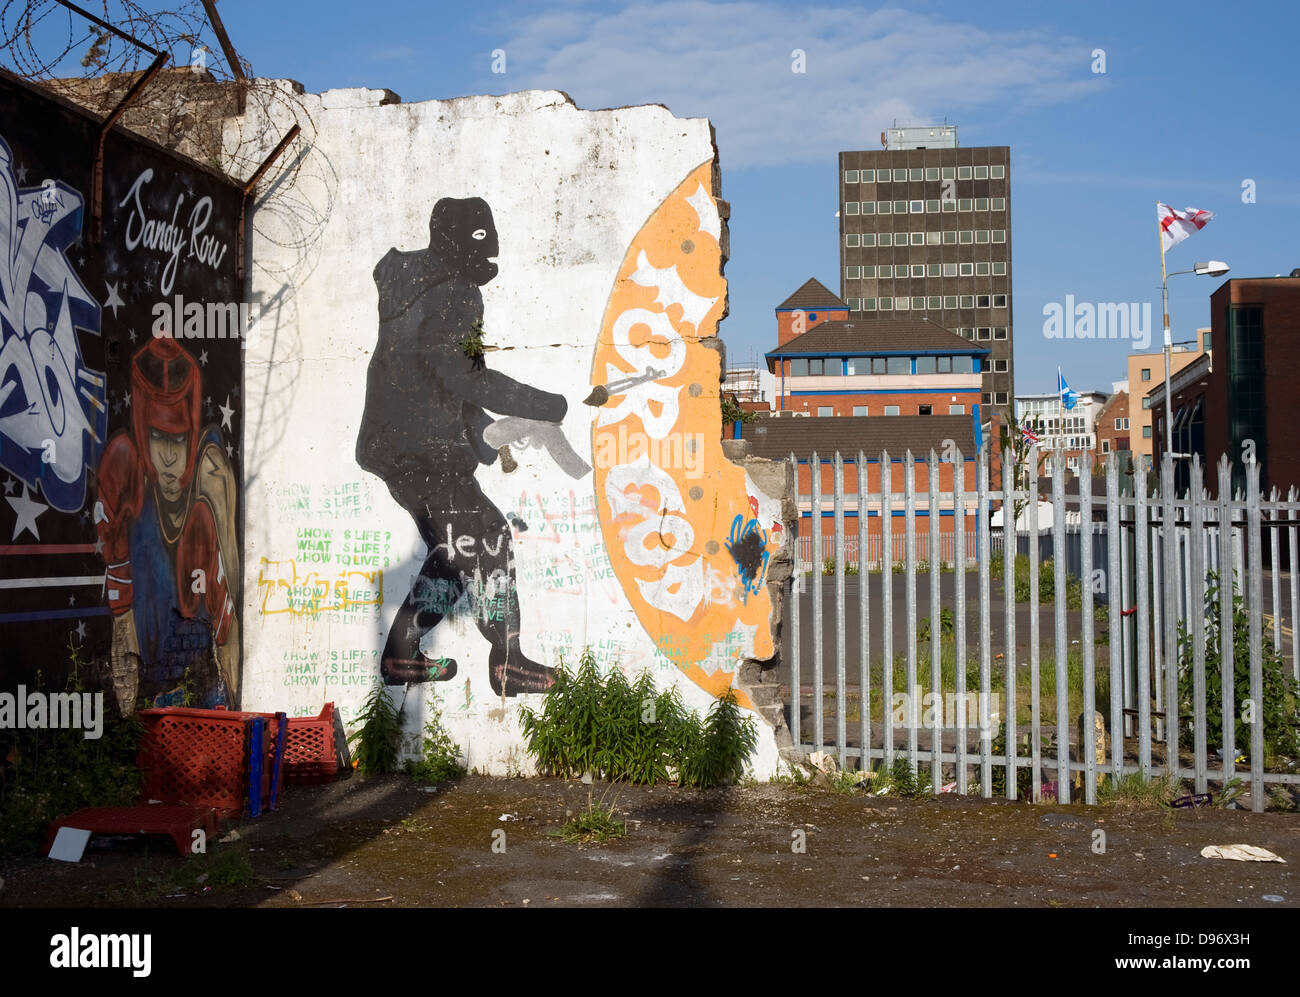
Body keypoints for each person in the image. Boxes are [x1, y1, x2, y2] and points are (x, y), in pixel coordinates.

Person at [356, 197, 566, 697]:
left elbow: (433, 373)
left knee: (456, 550)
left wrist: (484, 436)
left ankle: (403, 656)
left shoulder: (417, 286)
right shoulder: (456, 293)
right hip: (421, 449)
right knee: (487, 537)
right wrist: (545, 404)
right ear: (456, 243)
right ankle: (506, 660)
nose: (489, 253)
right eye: (480, 241)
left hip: (398, 443)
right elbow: (464, 375)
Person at [95, 338, 240, 712]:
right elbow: (121, 625)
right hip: (151, 697)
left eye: (178, 439)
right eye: (159, 438)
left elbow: (227, 627)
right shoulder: (126, 474)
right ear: (145, 436)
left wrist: (235, 712)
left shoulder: (206, 504)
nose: (171, 458)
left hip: (199, 692)